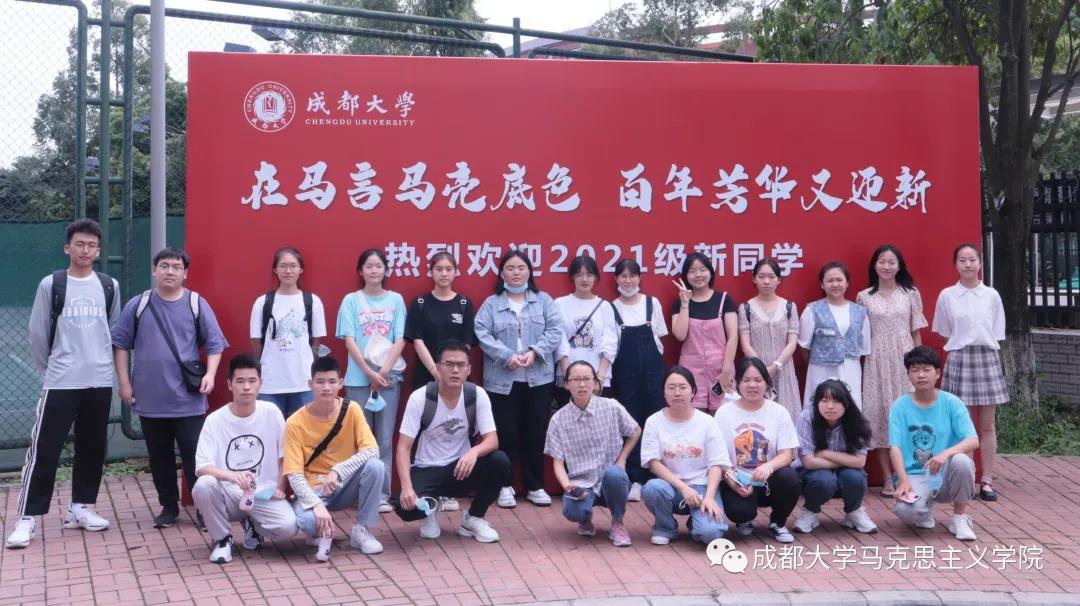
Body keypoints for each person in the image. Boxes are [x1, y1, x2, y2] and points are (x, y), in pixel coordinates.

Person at [7, 219, 121, 549]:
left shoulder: (109, 285)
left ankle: (80, 507)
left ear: (98, 251)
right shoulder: (52, 284)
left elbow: (114, 331)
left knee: (92, 446)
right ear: (67, 247)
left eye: (91, 245)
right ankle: (27, 518)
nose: (85, 250)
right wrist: (51, 370)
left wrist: (108, 370)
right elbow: (37, 334)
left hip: (99, 380)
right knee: (45, 449)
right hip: (60, 381)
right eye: (80, 244)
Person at [112, 246, 228, 529]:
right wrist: (124, 383)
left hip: (188, 399)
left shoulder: (196, 304)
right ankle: (168, 506)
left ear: (185, 273)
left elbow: (215, 343)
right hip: (150, 399)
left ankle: (203, 508)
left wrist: (211, 375)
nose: (170, 271)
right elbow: (120, 344)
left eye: (177, 267)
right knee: (159, 456)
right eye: (164, 266)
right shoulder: (138, 305)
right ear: (154, 270)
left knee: (195, 456)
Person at [393, 340, 508, 543]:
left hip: (460, 469)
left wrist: (473, 452)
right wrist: (407, 487)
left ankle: (473, 518)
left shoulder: (477, 395)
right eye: (449, 364)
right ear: (438, 367)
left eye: (461, 365)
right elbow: (403, 447)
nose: (455, 370)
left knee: (500, 462)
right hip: (426, 469)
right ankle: (430, 507)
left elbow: (492, 440)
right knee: (406, 508)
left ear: (468, 369)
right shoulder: (420, 397)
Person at [474, 250, 562, 508]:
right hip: (502, 381)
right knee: (506, 434)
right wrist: (506, 356)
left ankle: (535, 486)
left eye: (521, 268)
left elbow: (555, 329)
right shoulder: (492, 304)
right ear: (501, 273)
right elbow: (481, 333)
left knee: (535, 433)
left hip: (538, 379)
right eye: (510, 268)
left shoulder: (543, 301)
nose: (516, 272)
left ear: (529, 271)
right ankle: (505, 486)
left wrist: (536, 352)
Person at [191, 355, 297, 564]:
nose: (246, 387)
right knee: (204, 485)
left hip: (263, 493)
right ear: (229, 384)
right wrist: (232, 476)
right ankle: (222, 539)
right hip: (229, 494)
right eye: (240, 381)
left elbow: (284, 456)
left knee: (288, 528)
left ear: (260, 383)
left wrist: (280, 487)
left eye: (252, 381)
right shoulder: (215, 420)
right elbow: (202, 466)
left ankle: (254, 525)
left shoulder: (271, 412)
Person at [284, 356, 385, 561]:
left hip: (343, 484)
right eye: (320, 382)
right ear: (310, 384)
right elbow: (294, 475)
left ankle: (362, 530)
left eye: (332, 381)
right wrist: (316, 504)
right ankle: (316, 532)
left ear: (340, 383)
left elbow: (372, 450)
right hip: (314, 488)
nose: (326, 387)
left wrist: (338, 471)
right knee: (307, 521)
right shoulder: (294, 422)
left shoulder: (352, 409)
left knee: (376, 466)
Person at [933, 243, 1007, 502]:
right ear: (955, 265)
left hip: (987, 358)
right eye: (962, 260)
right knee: (961, 426)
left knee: (987, 425)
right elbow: (944, 332)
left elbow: (997, 331)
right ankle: (965, 479)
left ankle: (987, 481)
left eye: (972, 259)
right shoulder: (947, 295)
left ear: (980, 263)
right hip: (959, 358)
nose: (967, 264)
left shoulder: (991, 295)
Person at [404, 251, 476, 513]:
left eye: (448, 269)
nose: (444, 273)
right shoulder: (421, 303)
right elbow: (417, 339)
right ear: (430, 272)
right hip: (428, 376)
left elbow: (466, 343)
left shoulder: (464, 303)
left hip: (457, 378)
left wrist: (452, 371)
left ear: (456, 272)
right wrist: (436, 371)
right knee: (424, 430)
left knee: (456, 430)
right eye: (439, 269)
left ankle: (450, 489)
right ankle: (426, 488)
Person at [336, 248, 406, 512]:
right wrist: (368, 372)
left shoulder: (396, 300)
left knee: (385, 439)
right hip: (358, 379)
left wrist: (383, 372)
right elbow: (349, 339)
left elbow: (400, 338)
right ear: (361, 271)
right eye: (369, 266)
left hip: (389, 380)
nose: (374, 270)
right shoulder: (351, 300)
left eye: (379, 266)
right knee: (360, 440)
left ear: (386, 270)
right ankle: (361, 492)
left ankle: (382, 495)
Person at [545, 361, 641, 547]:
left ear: (596, 383)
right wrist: (567, 486)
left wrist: (622, 459)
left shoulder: (612, 407)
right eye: (576, 380)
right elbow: (557, 462)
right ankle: (585, 519)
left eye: (587, 379)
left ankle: (618, 523)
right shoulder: (558, 420)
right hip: (581, 483)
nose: (582, 385)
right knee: (572, 510)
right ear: (567, 384)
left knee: (615, 474)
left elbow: (635, 431)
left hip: (611, 480)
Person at [857, 245, 927, 497]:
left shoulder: (910, 294)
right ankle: (888, 478)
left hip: (904, 360)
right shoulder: (864, 296)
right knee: (880, 418)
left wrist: (919, 364)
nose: (886, 266)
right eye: (882, 261)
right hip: (876, 362)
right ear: (874, 265)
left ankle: (909, 475)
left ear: (899, 266)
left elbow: (916, 331)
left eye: (891, 262)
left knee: (909, 417)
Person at [889, 346, 980, 541]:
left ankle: (960, 518)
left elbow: (972, 440)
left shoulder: (952, 402)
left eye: (926, 369)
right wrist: (903, 480)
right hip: (914, 474)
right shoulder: (899, 406)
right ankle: (924, 510)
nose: (921, 375)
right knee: (906, 511)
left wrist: (945, 454)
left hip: (944, 473)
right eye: (915, 370)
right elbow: (895, 447)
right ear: (908, 374)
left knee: (962, 461)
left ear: (937, 373)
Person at [714, 358, 801, 543]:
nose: (752, 385)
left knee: (790, 478)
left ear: (767, 383)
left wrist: (769, 467)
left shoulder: (779, 412)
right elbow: (718, 457)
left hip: (769, 481)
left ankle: (778, 523)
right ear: (737, 383)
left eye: (758, 380)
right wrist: (732, 481)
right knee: (740, 511)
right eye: (746, 380)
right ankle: (745, 519)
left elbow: (787, 454)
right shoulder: (724, 413)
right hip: (738, 480)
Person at [640, 367, 729, 546]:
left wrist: (709, 497)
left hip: (702, 488)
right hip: (670, 487)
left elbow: (717, 463)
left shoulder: (707, 422)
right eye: (671, 387)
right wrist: (682, 487)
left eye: (683, 387)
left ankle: (696, 522)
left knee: (710, 534)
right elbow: (653, 463)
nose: (677, 393)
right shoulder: (654, 421)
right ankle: (665, 527)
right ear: (664, 392)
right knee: (652, 488)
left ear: (693, 391)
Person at [610, 258, 668, 502]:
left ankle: (654, 476)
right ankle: (634, 479)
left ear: (639, 277)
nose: (628, 280)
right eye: (623, 276)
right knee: (631, 426)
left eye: (632, 275)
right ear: (616, 279)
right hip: (626, 377)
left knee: (655, 423)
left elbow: (661, 338)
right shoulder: (611, 308)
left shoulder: (652, 304)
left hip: (654, 376)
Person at [791, 379, 877, 535]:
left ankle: (853, 511)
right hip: (812, 473)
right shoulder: (807, 418)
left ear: (846, 403)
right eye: (824, 401)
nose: (830, 406)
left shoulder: (856, 420)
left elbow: (860, 461)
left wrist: (825, 453)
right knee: (823, 480)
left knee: (855, 478)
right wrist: (846, 461)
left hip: (843, 471)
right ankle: (810, 510)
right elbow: (808, 462)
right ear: (816, 402)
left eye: (836, 401)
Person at [250, 246, 326, 418]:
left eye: (293, 266)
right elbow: (256, 341)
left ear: (301, 269)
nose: (288, 271)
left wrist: (307, 365)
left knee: (304, 430)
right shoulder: (262, 302)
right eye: (283, 266)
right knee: (270, 430)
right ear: (275, 270)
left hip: (304, 382)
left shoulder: (312, 301)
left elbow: (316, 341)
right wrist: (268, 362)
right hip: (270, 383)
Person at [798, 262, 870, 411]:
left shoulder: (860, 312)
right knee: (819, 406)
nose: (835, 284)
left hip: (850, 368)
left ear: (847, 283)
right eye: (830, 281)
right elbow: (804, 345)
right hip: (820, 370)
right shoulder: (812, 310)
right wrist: (819, 360)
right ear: (822, 284)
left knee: (850, 406)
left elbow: (864, 347)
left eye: (839, 280)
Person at [671, 252, 738, 411]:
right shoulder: (679, 303)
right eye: (692, 271)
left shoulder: (724, 299)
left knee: (723, 414)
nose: (698, 275)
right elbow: (680, 335)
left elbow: (733, 336)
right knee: (694, 416)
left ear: (710, 272)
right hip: (690, 370)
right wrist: (685, 304)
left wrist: (726, 370)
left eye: (702, 269)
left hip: (721, 368)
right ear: (686, 275)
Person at [737, 258, 800, 419]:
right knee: (758, 417)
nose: (766, 281)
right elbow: (745, 344)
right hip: (756, 372)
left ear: (779, 280)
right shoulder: (746, 308)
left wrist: (776, 365)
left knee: (786, 414)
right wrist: (761, 369)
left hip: (784, 370)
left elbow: (792, 342)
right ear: (754, 279)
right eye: (761, 276)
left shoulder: (789, 307)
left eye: (771, 277)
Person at [554, 255, 618, 405]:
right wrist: (569, 377)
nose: (584, 279)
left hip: (598, 379)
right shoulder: (559, 304)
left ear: (595, 277)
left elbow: (610, 343)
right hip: (568, 379)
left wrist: (599, 378)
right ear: (572, 277)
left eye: (589, 274)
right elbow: (559, 341)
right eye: (579, 275)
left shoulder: (605, 306)